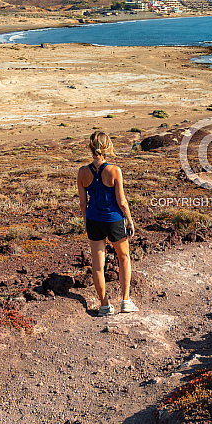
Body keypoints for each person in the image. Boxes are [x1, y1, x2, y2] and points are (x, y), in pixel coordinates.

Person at [77, 131, 139, 316]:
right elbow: (122, 201)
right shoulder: (114, 170)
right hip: (113, 220)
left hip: (93, 220)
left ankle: (104, 305)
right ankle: (125, 301)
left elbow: (82, 202)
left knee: (97, 266)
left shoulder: (82, 172)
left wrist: (85, 222)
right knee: (124, 258)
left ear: (90, 147)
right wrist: (129, 220)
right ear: (107, 147)